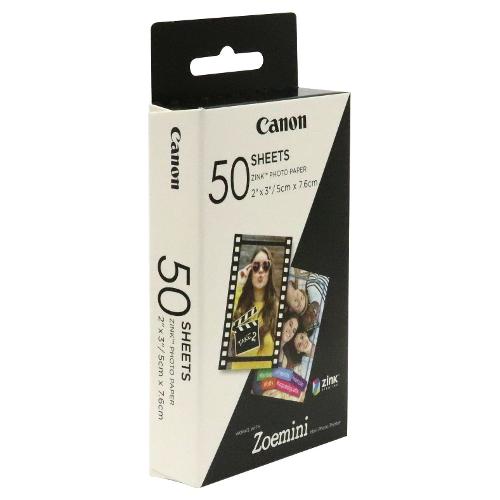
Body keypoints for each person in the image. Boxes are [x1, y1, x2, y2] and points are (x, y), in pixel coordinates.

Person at [230, 247, 278, 369]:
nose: (260, 270)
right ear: (250, 270)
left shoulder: (276, 308)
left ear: (270, 272)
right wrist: (238, 285)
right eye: (256, 266)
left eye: (265, 266)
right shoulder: (239, 303)